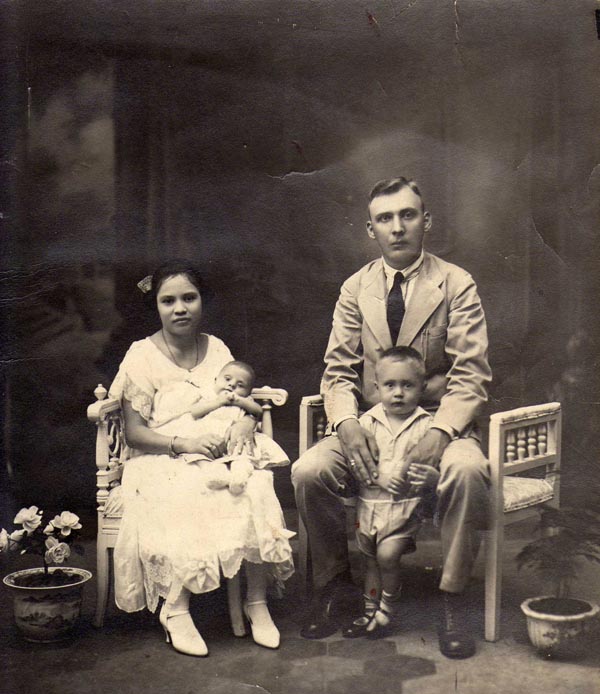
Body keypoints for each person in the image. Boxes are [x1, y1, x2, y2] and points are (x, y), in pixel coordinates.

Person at [292, 177, 491, 659]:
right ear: (370, 229)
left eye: (407, 215)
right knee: (309, 470)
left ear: (426, 221)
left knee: (468, 469)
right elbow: (338, 371)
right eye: (385, 218)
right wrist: (347, 425)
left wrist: (441, 432)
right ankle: (335, 586)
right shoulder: (355, 288)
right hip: (372, 424)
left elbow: (471, 374)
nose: (397, 227)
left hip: (439, 423)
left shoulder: (455, 283)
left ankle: (452, 599)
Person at [109, 260, 294, 657]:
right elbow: (135, 433)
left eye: (189, 298)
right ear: (156, 306)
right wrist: (184, 444)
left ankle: (256, 602)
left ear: (202, 301)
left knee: (257, 484)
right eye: (168, 301)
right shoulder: (141, 356)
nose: (180, 308)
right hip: (160, 455)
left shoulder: (217, 348)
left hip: (217, 451)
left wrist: (245, 421)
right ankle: (176, 610)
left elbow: (240, 398)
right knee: (190, 489)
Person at [343, 346, 439, 638]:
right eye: (390, 385)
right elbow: (354, 463)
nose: (398, 393)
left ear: (422, 387)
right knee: (371, 562)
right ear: (376, 387)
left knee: (387, 556)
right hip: (369, 507)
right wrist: (378, 476)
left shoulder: (427, 425)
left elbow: (436, 465)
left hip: (403, 509)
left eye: (407, 385)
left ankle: (387, 608)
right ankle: (369, 608)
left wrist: (430, 477)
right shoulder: (366, 423)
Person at [152, 359, 289, 494]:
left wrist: (240, 401)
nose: (232, 385)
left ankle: (240, 476)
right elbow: (195, 412)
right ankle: (217, 473)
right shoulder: (208, 396)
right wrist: (219, 402)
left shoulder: (244, 400)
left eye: (240, 385)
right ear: (216, 380)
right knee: (198, 456)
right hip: (208, 435)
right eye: (227, 379)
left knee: (242, 455)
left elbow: (258, 411)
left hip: (232, 438)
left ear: (248, 392)